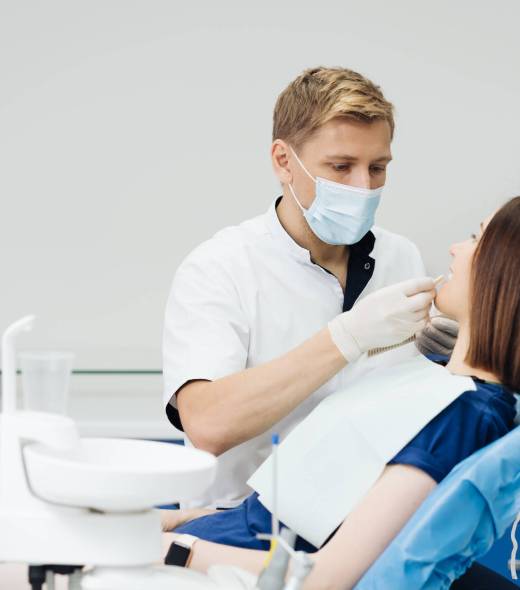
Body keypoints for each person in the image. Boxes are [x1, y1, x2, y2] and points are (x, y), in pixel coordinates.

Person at [163, 197, 520, 589]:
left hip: (222, 567)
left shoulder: (464, 415)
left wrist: (171, 549)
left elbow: (328, 576)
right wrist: (181, 524)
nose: (456, 248)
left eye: (476, 237)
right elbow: (303, 518)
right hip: (224, 535)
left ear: (502, 272)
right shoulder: (443, 389)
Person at [162, 66, 456, 510]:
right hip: (245, 536)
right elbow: (206, 425)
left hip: (368, 530)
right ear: (283, 161)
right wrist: (345, 338)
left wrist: (449, 364)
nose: (364, 187)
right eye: (341, 167)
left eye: (378, 168)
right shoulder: (219, 268)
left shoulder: (402, 258)